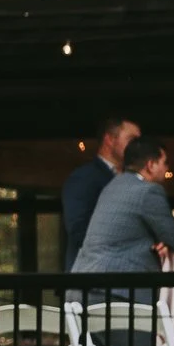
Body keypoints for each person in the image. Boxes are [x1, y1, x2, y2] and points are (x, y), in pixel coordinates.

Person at [71, 135, 174, 346]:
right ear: (150, 164)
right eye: (164, 164)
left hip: (82, 290)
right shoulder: (149, 192)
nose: (165, 170)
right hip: (118, 292)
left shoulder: (113, 187)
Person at [61, 115, 139, 269]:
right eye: (131, 140)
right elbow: (78, 230)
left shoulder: (134, 179)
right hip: (93, 279)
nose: (138, 147)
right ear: (110, 140)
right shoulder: (84, 178)